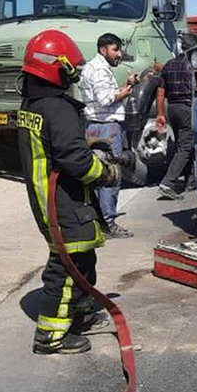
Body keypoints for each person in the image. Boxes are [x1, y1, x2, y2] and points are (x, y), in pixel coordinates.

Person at [17, 29, 125, 355]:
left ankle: (79, 314)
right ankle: (51, 336)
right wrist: (106, 173)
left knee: (83, 257)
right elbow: (74, 158)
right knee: (65, 266)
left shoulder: (34, 104)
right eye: (70, 67)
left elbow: (58, 148)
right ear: (55, 66)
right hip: (61, 200)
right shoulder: (56, 108)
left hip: (50, 198)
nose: (73, 72)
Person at [79, 33, 137, 238]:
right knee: (111, 176)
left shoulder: (91, 67)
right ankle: (109, 223)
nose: (119, 54)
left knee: (98, 175)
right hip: (106, 128)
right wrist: (125, 93)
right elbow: (105, 99)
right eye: (115, 49)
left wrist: (126, 85)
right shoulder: (100, 69)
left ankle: (100, 219)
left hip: (94, 126)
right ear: (103, 50)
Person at [156, 36, 197, 199]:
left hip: (172, 108)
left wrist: (161, 114)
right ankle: (168, 183)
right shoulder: (194, 65)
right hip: (188, 107)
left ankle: (190, 181)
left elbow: (160, 93)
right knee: (186, 147)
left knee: (185, 144)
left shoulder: (169, 65)